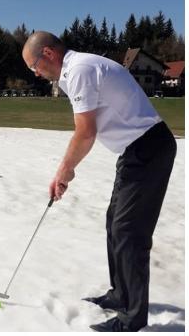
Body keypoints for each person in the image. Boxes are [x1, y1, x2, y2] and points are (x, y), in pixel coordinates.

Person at [22, 31, 177, 332]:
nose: (36, 73)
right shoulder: (73, 72)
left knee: (129, 231)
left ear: (49, 53)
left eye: (35, 66)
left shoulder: (79, 70)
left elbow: (85, 132)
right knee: (114, 223)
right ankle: (121, 294)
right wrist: (67, 171)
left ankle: (132, 318)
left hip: (149, 148)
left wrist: (64, 171)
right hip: (134, 151)